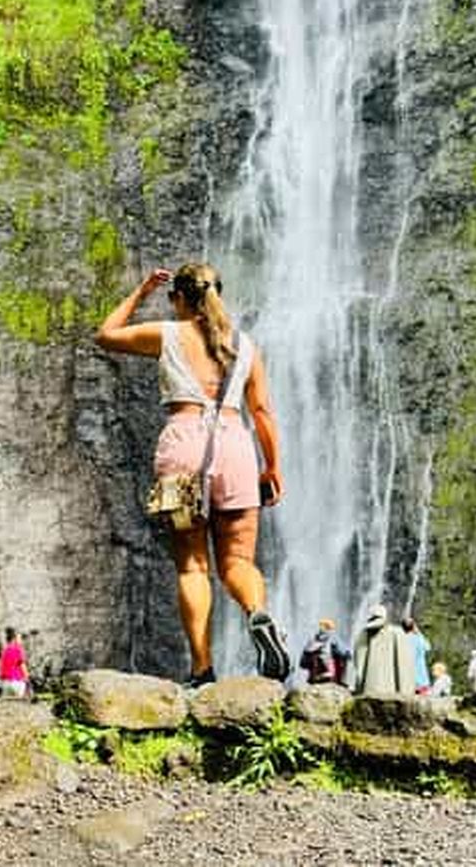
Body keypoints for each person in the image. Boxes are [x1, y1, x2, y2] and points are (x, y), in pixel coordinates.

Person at [94, 263, 288, 687]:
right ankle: (257, 614)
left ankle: (202, 669)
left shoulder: (167, 334)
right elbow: (262, 411)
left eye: (172, 298)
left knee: (192, 567)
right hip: (236, 449)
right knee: (238, 562)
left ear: (179, 298)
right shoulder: (245, 345)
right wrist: (272, 466)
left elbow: (105, 334)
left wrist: (142, 291)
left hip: (182, 448)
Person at [353, 604, 414, 696]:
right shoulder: (398, 633)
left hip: (370, 686)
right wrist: (405, 690)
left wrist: (359, 684)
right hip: (390, 689)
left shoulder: (365, 633)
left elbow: (359, 660)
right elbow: (404, 665)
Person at [299, 618, 351, 686]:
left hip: (313, 676)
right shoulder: (332, 639)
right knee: (342, 659)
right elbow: (345, 653)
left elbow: (302, 664)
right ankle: (339, 681)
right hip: (329, 674)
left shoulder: (312, 641)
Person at [402, 616, 432, 695]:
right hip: (421, 676)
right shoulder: (419, 638)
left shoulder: (403, 639)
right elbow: (428, 647)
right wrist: (419, 633)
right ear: (414, 626)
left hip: (408, 675)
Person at [0, 627, 30, 698]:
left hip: (6, 682)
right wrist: (27, 677)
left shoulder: (5, 651)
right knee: (19, 702)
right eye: (20, 638)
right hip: (17, 681)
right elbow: (22, 664)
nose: (21, 641)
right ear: (14, 639)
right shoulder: (17, 649)